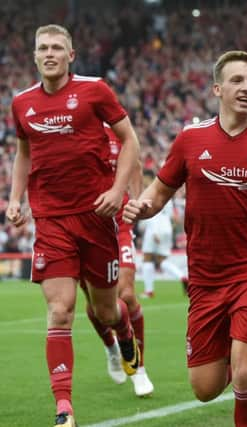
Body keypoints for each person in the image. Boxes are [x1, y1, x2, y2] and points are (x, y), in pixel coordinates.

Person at [123, 50, 247, 427]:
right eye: (237, 80)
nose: (246, 88)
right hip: (205, 278)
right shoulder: (191, 139)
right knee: (205, 388)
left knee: (246, 375)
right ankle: (238, 350)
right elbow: (160, 192)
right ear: (217, 88)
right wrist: (142, 206)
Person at [7, 24, 141, 427]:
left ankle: (124, 331)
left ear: (71, 54)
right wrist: (15, 200)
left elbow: (130, 140)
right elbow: (23, 154)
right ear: (34, 56)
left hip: (97, 217)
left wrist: (119, 191)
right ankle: (64, 407)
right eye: (42, 48)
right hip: (51, 219)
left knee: (105, 310)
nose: (49, 54)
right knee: (60, 310)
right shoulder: (22, 103)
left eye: (56, 48)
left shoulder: (95, 90)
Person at [84, 124, 154, 397]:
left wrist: (135, 203)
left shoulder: (118, 131)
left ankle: (139, 368)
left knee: (125, 293)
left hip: (118, 223)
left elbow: (135, 163)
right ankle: (111, 347)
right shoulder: (73, 130)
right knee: (95, 302)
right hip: (84, 225)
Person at [139, 193, 188, 298]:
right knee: (162, 261)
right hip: (167, 228)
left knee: (147, 259)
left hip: (154, 229)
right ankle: (182, 276)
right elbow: (172, 216)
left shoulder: (152, 193)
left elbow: (150, 213)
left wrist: (153, 231)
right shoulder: (168, 197)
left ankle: (149, 291)